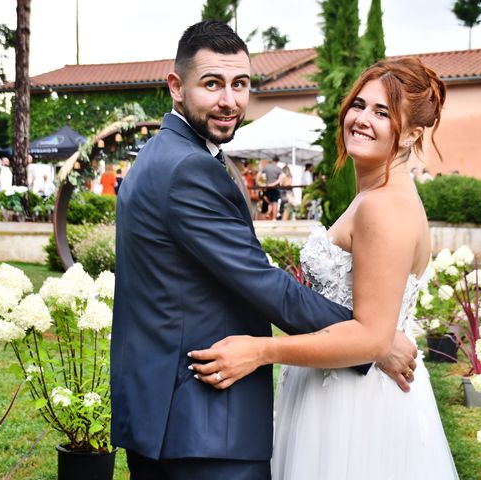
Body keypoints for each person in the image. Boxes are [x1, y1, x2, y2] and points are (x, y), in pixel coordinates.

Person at [110, 21, 418, 480]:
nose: (230, 101)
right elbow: (262, 282)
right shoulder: (187, 168)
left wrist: (367, 336)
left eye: (240, 84)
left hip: (176, 420)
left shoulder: (164, 156)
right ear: (176, 86)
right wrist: (374, 341)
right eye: (212, 84)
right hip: (202, 423)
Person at [190, 58, 459, 479]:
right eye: (359, 105)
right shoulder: (375, 195)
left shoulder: (384, 207)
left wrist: (260, 351)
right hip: (337, 387)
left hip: (355, 406)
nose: (362, 119)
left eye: (382, 112)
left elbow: (370, 338)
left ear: (411, 133)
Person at [260, 155, 282, 220]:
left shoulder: (266, 167)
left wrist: (258, 183)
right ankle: (274, 218)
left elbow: (259, 175)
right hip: (275, 188)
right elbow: (280, 179)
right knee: (274, 202)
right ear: (277, 161)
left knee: (269, 202)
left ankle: (268, 215)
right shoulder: (278, 169)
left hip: (267, 187)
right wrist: (273, 184)